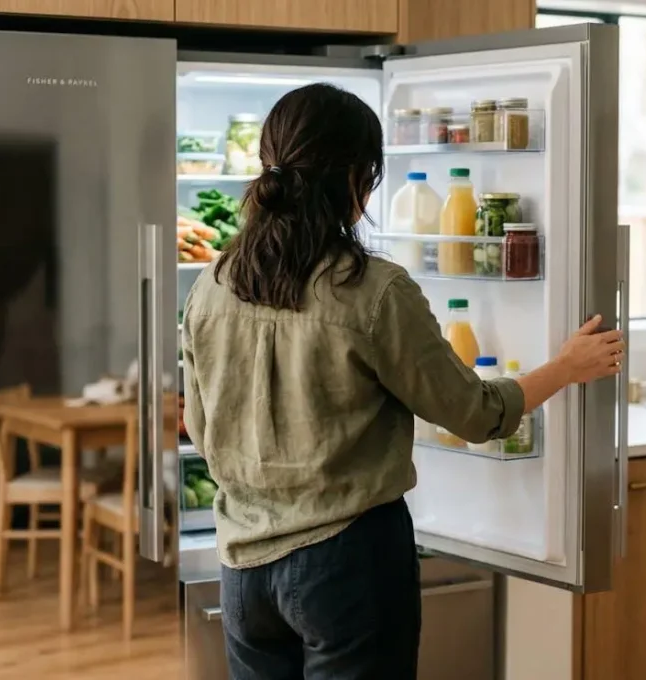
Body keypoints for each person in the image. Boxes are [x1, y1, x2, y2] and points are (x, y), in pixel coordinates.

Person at [180, 83, 623, 680]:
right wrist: (565, 368)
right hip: (346, 563)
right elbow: (473, 414)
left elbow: (199, 428)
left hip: (242, 566)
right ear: (357, 181)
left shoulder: (212, 283)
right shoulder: (372, 290)